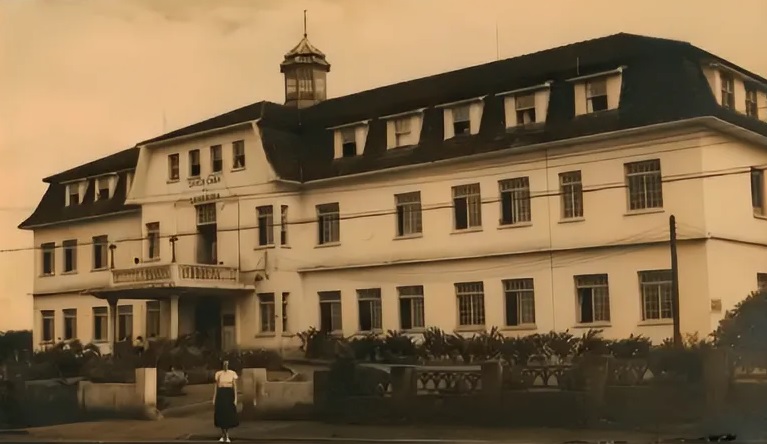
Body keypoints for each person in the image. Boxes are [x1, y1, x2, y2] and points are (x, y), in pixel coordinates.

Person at [212, 360, 239, 442]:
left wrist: (235, 398)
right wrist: (214, 397)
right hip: (221, 394)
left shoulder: (232, 373)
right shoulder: (218, 374)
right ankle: (223, 434)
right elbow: (216, 387)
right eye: (224, 364)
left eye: (227, 364)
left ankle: (226, 434)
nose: (225, 366)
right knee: (221, 414)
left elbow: (235, 387)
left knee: (228, 414)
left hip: (229, 394)